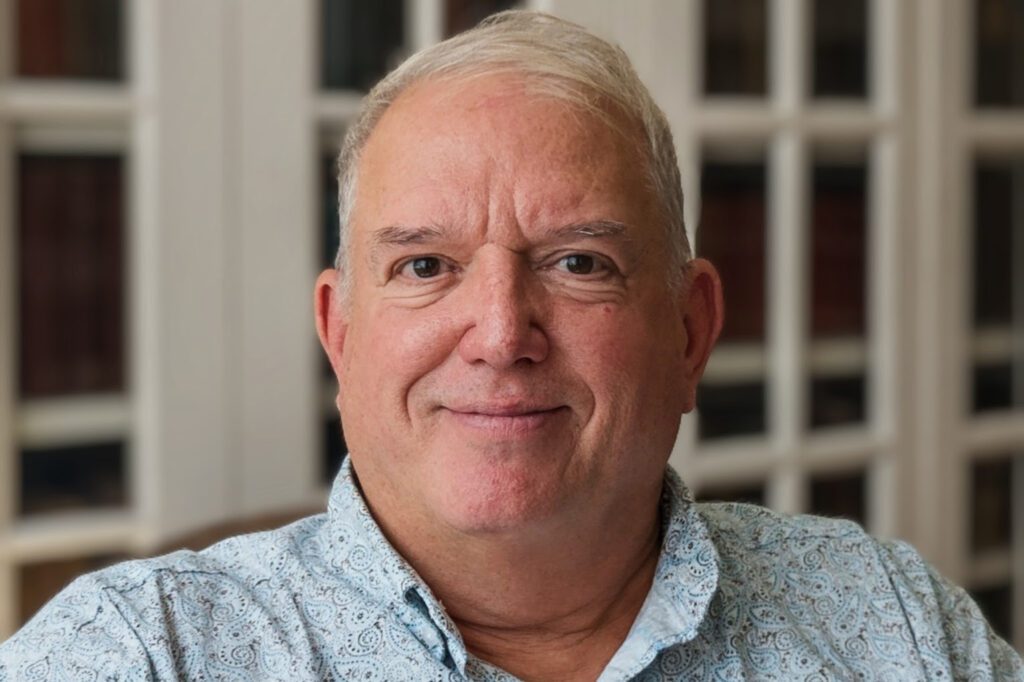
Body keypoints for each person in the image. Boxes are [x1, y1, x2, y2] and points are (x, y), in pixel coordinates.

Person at [1, 10, 1021, 681]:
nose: (499, 335)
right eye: (424, 265)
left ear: (689, 330)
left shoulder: (894, 624)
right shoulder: (138, 654)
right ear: (340, 332)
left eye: (579, 263)